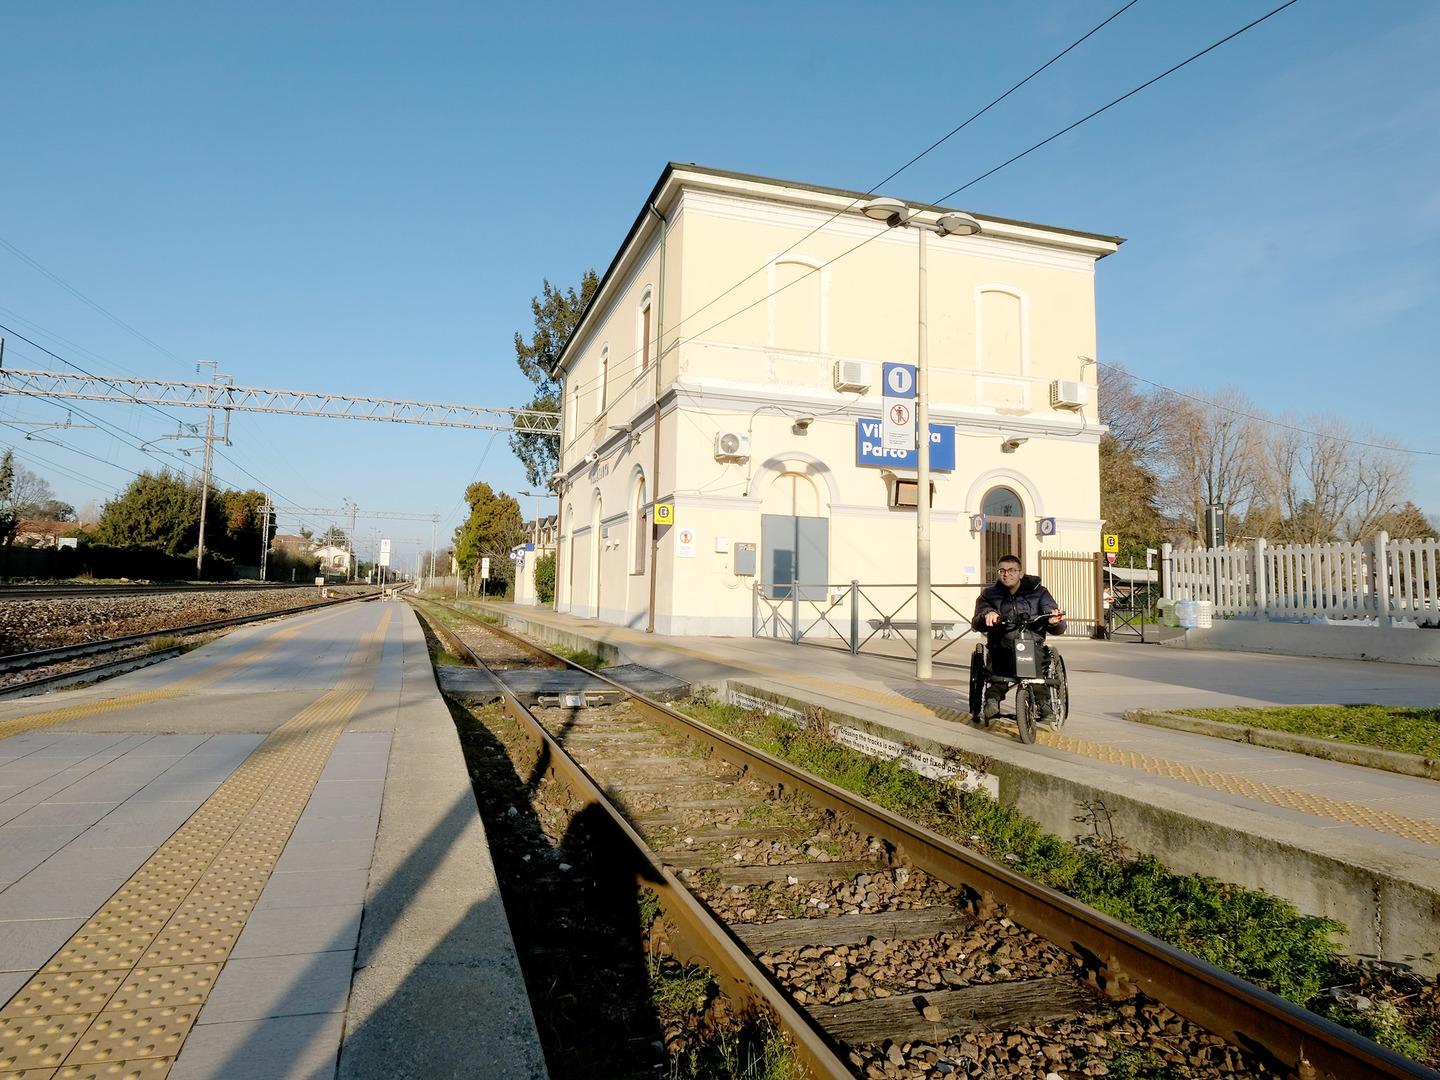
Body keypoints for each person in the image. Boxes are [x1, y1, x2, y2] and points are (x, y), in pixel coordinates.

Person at [971, 554, 1066, 720]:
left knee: (1036, 661)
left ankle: (1042, 702)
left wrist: (1052, 620)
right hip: (1002, 643)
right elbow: (977, 620)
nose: (1006, 574)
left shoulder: (1039, 592)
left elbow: (1053, 616)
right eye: (1002, 570)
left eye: (1011, 570)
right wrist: (988, 614)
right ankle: (992, 699)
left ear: (1020, 573)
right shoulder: (989, 594)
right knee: (998, 663)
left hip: (1032, 642)